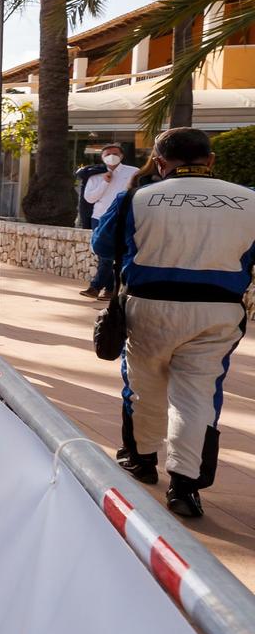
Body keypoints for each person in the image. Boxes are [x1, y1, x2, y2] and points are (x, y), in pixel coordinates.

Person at [91, 127, 255, 518]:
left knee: (144, 388)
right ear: (210, 160)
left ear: (160, 163)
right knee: (198, 396)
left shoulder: (138, 197)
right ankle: (185, 486)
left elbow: (102, 245)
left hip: (149, 308)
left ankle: (142, 460)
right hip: (218, 312)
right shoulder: (250, 200)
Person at [79, 143, 139, 299]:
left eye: (115, 153)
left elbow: (137, 193)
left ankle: (96, 287)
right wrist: (105, 182)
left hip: (123, 218)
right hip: (99, 218)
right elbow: (89, 198)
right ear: (102, 157)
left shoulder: (133, 172)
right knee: (103, 253)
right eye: (107, 154)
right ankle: (109, 289)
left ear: (121, 156)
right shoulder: (94, 175)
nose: (111, 156)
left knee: (111, 255)